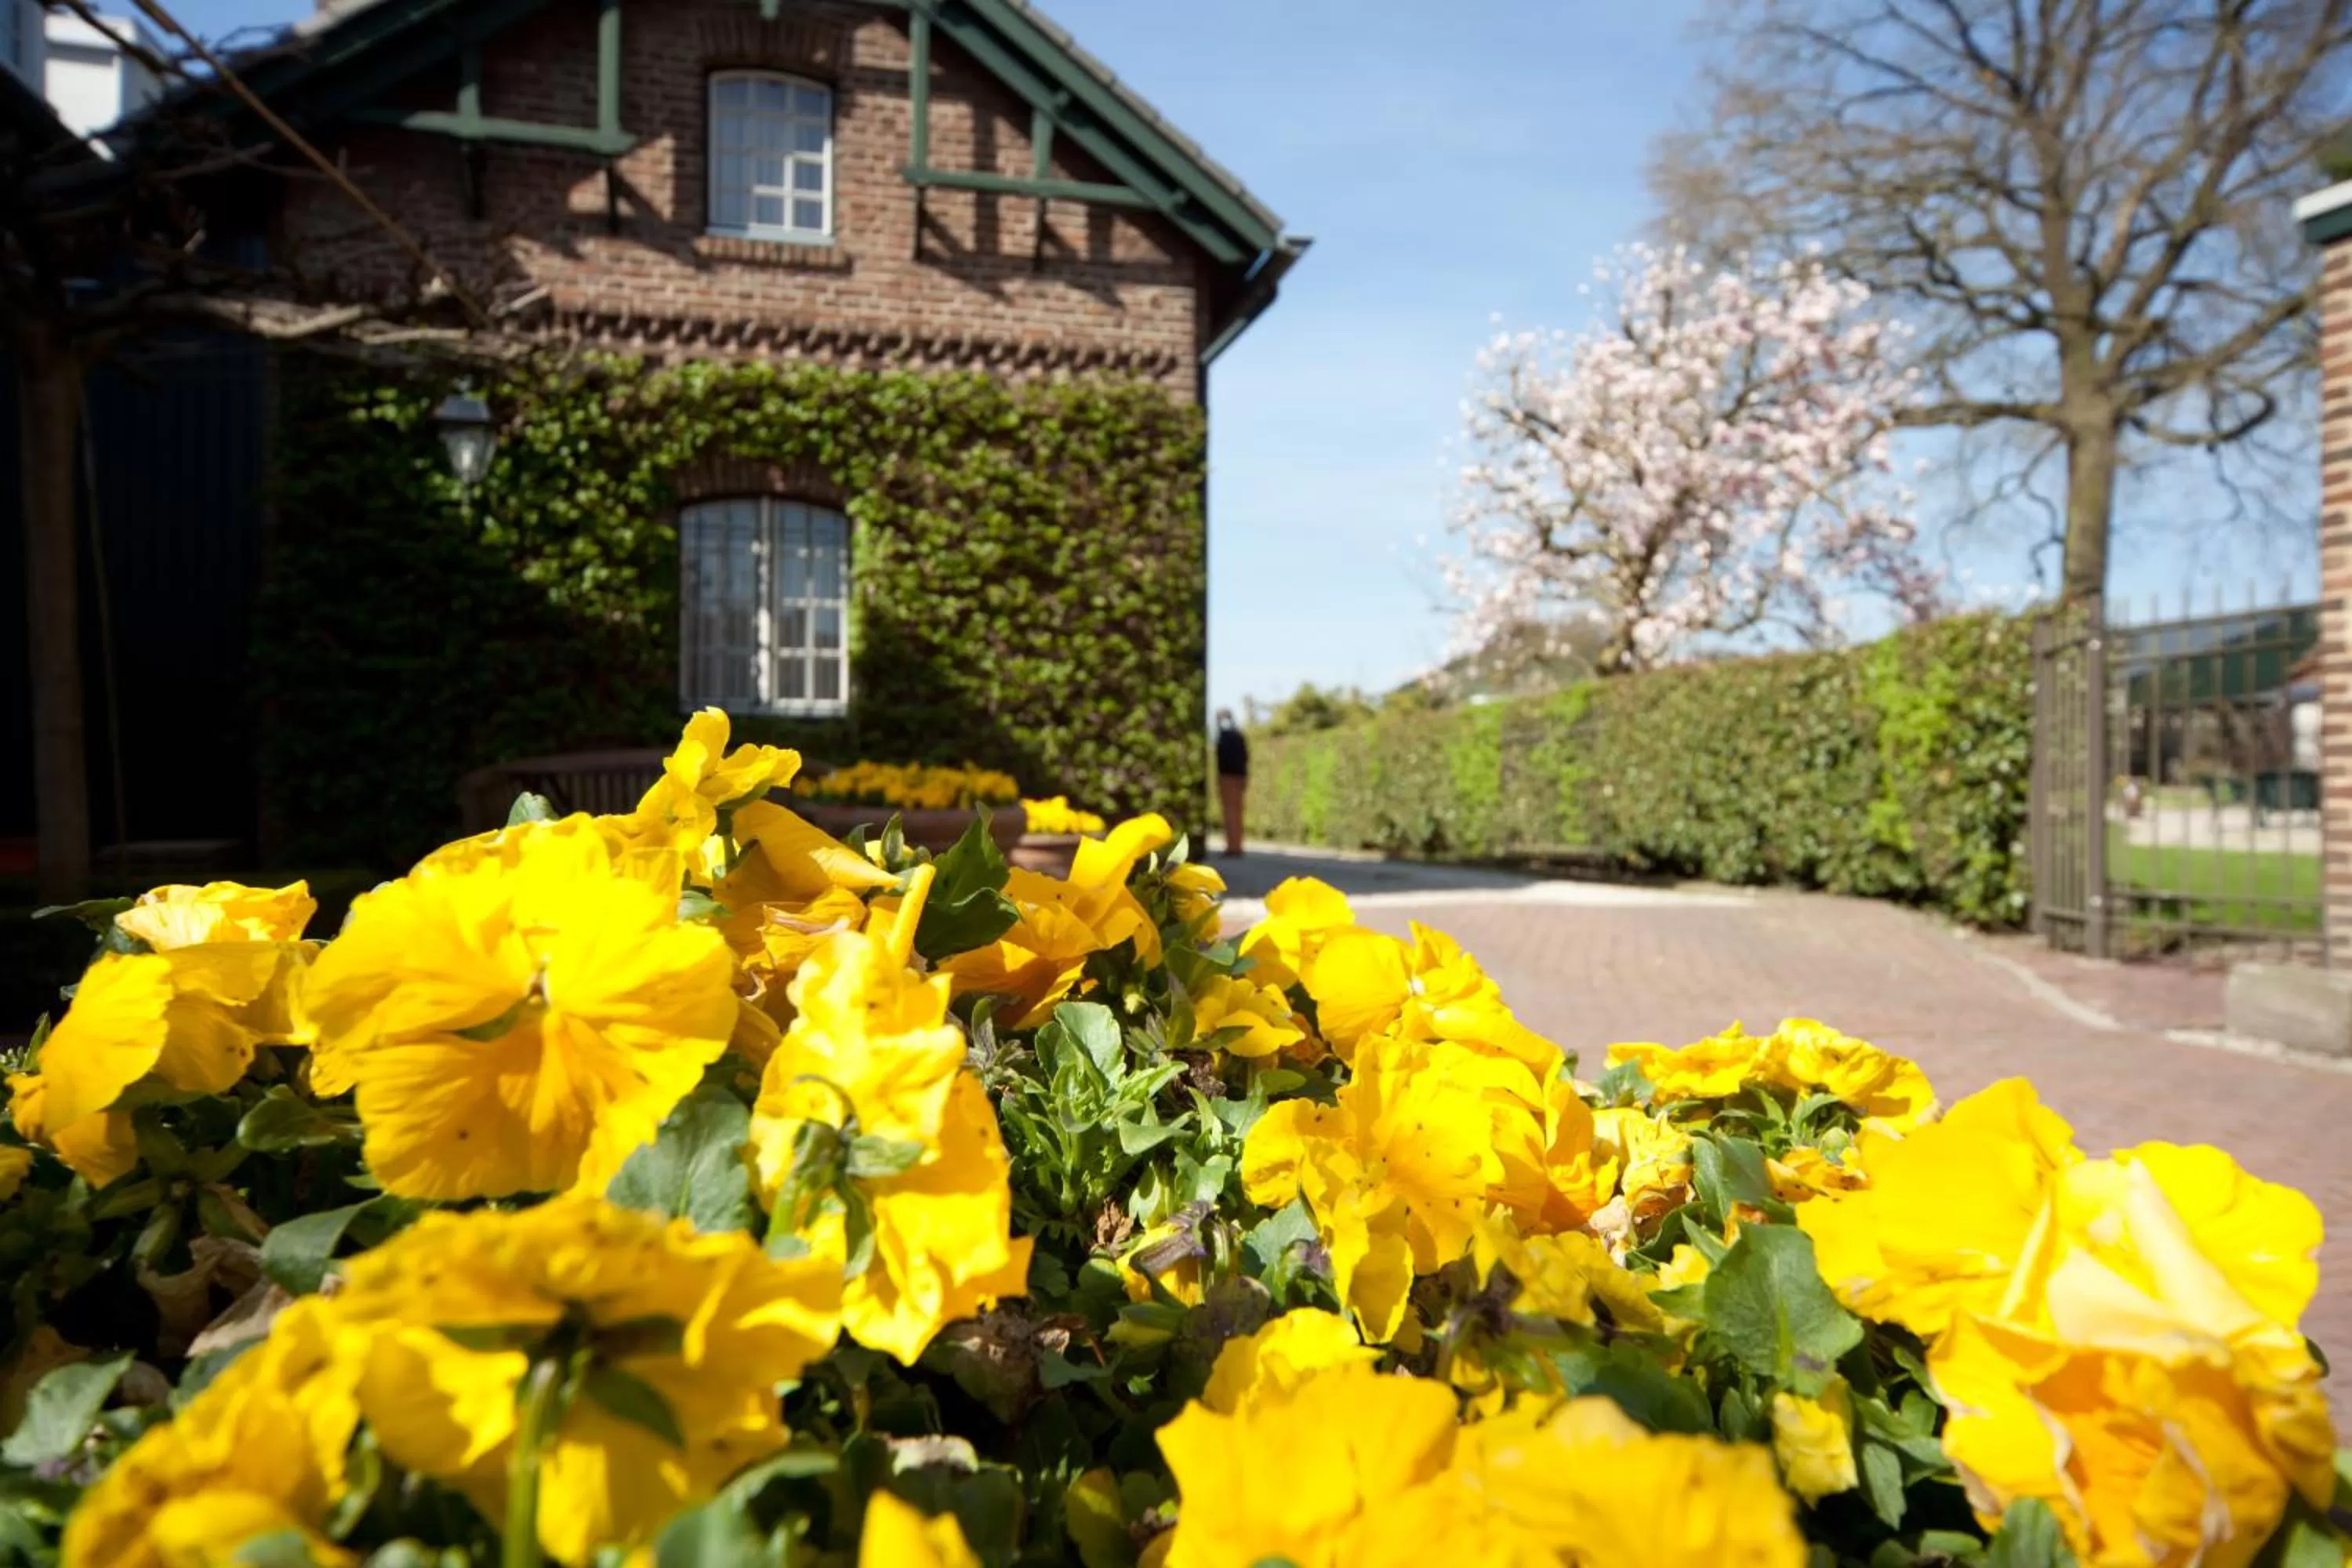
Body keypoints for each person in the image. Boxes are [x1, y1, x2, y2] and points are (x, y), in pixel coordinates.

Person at [1214, 710, 1248, 858]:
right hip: (1240, 776)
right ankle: (1237, 845)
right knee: (1238, 813)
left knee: (1229, 813)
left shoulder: (1224, 736)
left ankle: (1232, 847)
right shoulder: (1239, 735)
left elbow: (1222, 758)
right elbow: (1246, 756)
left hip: (1227, 777)